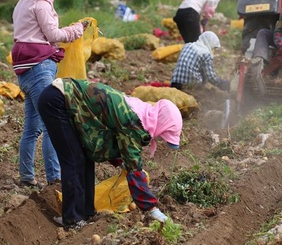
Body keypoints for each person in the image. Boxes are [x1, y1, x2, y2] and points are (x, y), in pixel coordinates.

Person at [38, 78, 183, 231]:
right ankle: (72, 219)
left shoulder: (140, 113)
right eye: (164, 135)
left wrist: (120, 162)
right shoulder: (134, 123)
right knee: (75, 160)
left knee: (85, 158)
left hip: (66, 101)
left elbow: (112, 139)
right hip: (57, 101)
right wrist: (151, 208)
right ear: (162, 123)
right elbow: (135, 169)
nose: (160, 139)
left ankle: (86, 212)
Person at [12, 0, 86, 189]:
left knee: (32, 127)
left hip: (24, 69)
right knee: (51, 124)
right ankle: (54, 178)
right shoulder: (40, 2)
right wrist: (77, 30)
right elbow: (53, 35)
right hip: (39, 67)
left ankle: (27, 177)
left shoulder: (23, 1)